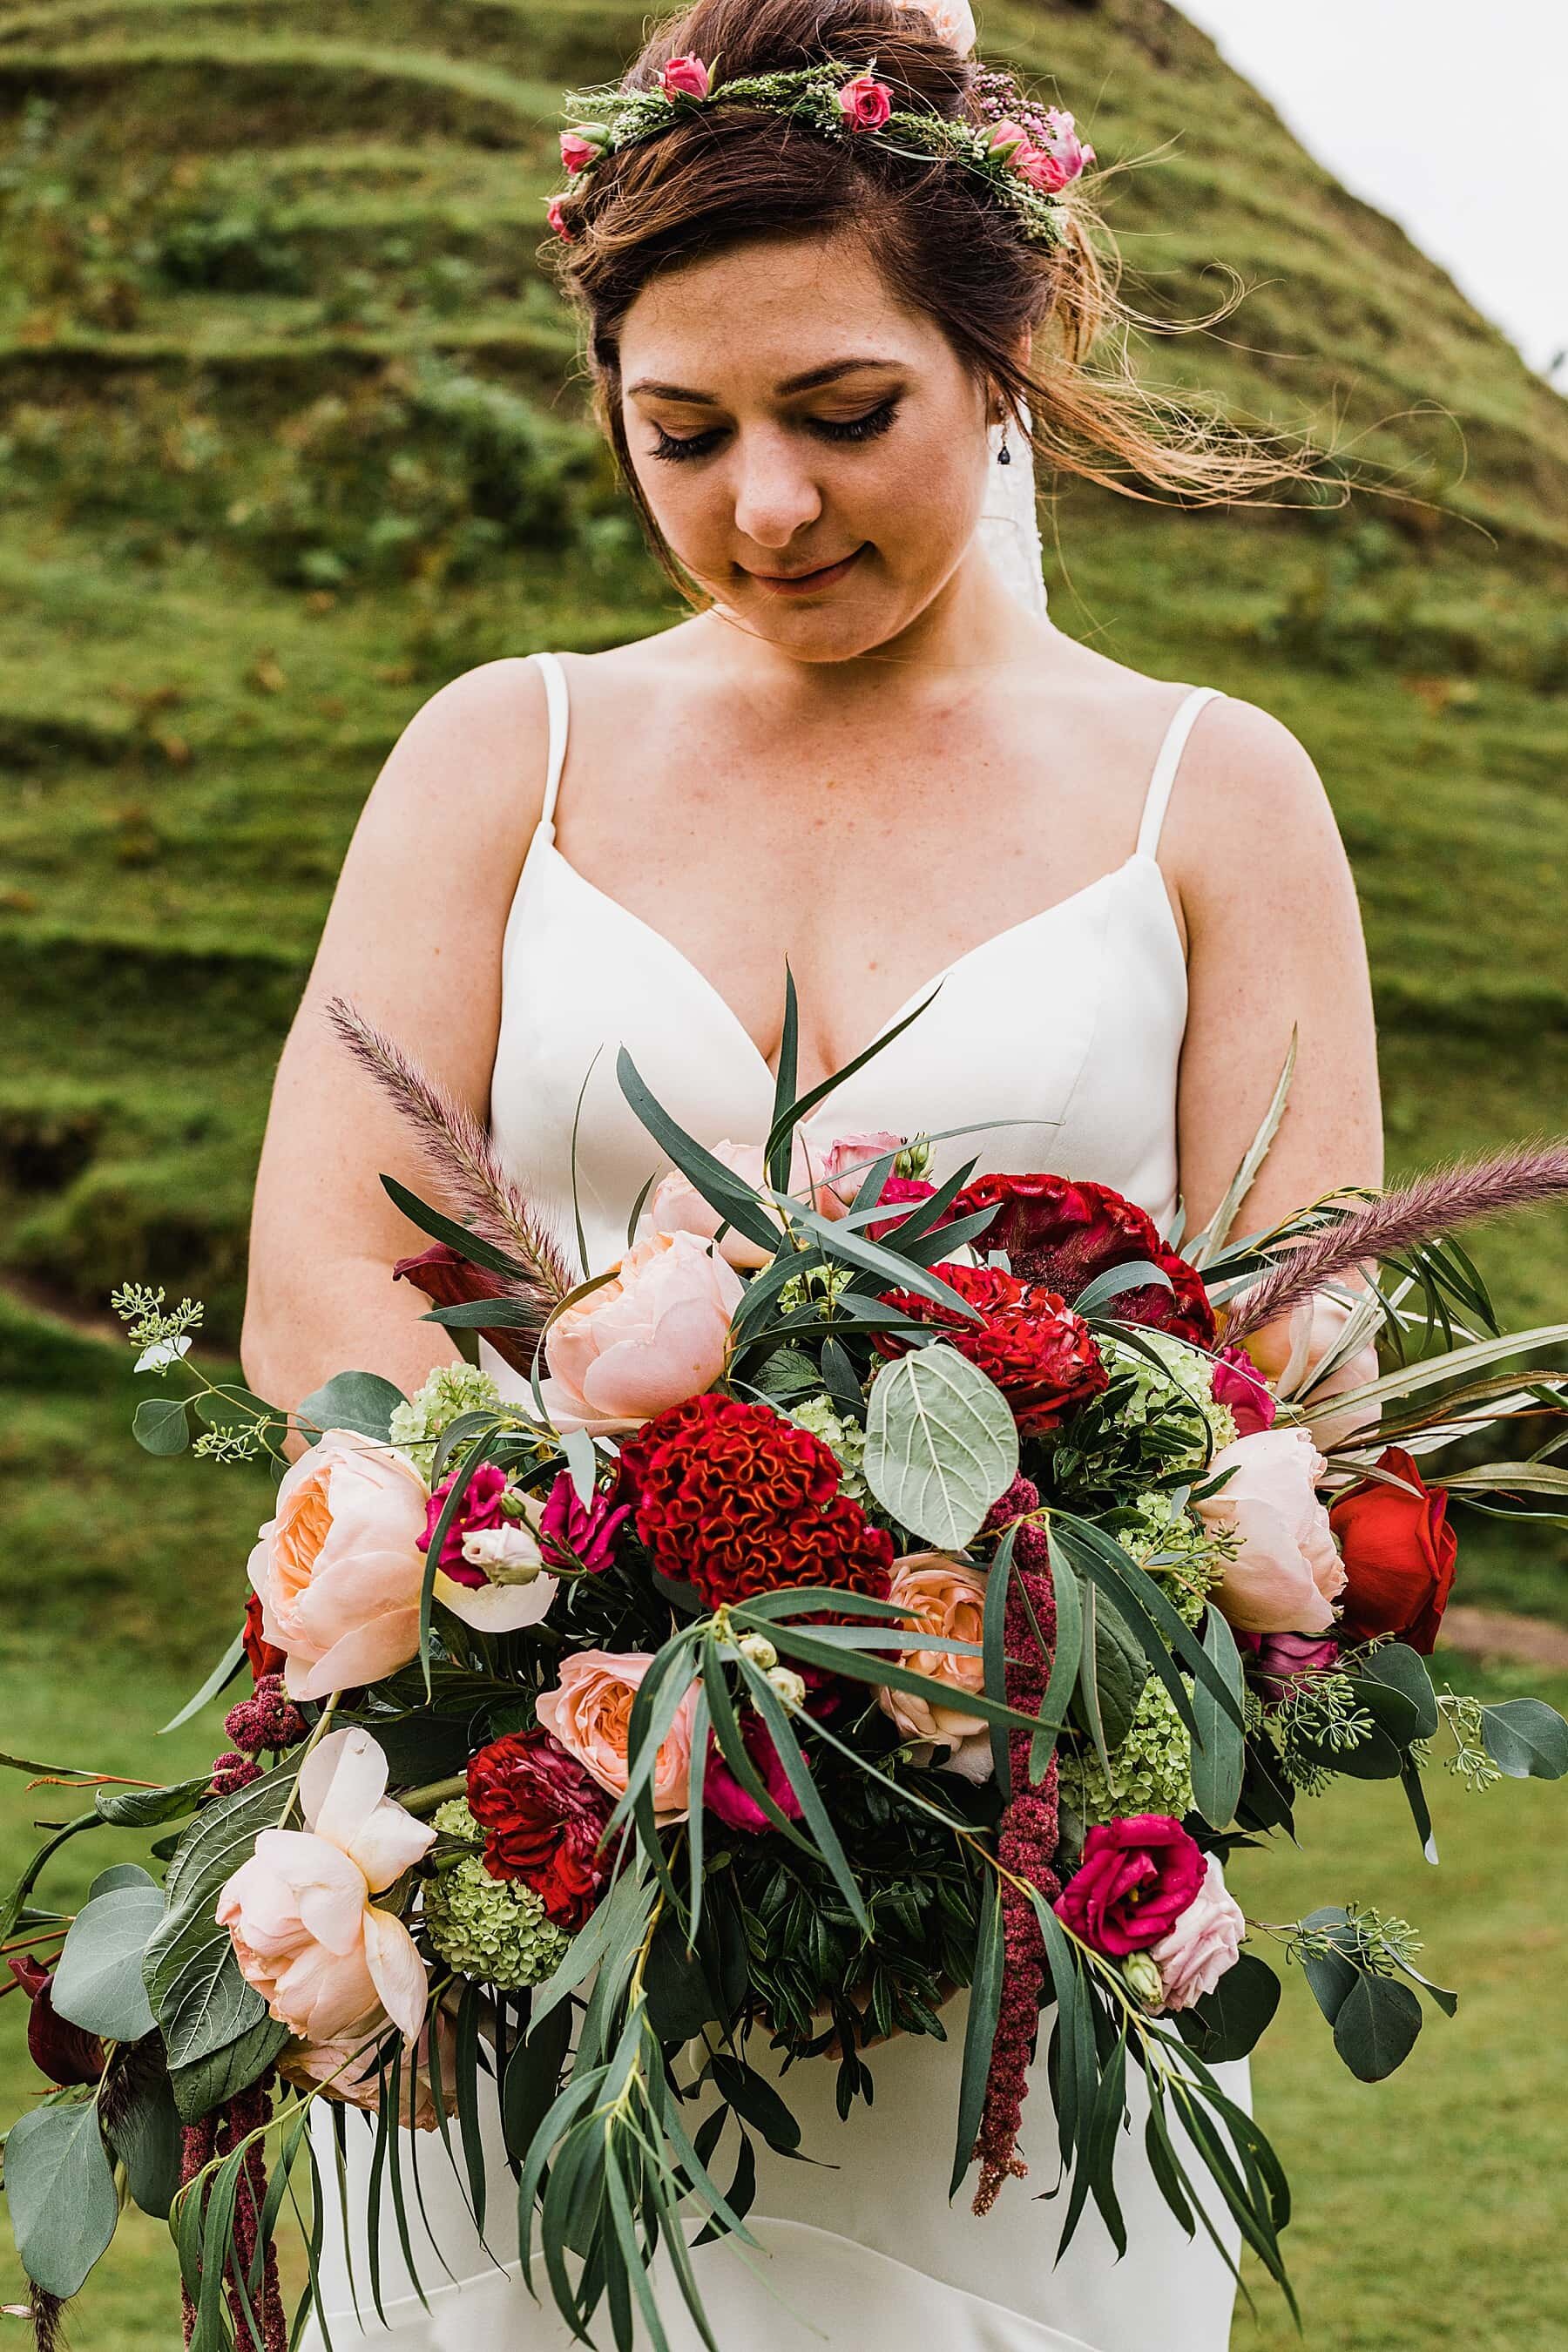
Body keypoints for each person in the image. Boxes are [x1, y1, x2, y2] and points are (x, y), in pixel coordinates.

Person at [241, 0, 1382, 2342]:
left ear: (1007, 355)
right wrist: (569, 1587)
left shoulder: (1217, 796)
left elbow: (1302, 1359)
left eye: (842, 414)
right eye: (686, 432)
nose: (764, 502)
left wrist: (972, 1607)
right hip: (537, 1900)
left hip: (994, 1944)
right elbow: (314, 1286)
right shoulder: (508, 751)